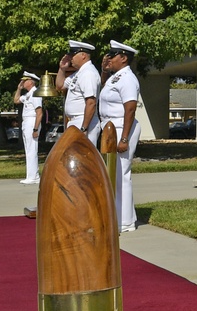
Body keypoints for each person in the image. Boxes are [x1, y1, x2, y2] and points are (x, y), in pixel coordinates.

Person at [99, 40, 141, 232]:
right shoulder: (115, 77)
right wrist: (104, 70)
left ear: (123, 58)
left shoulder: (128, 78)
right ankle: (116, 216)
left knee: (121, 174)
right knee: (112, 175)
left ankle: (126, 222)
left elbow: (130, 108)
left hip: (121, 126)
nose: (109, 58)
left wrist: (124, 138)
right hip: (109, 126)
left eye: (112, 55)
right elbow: (103, 91)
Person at [56, 39, 101, 147]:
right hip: (75, 121)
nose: (70, 58)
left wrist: (84, 128)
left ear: (83, 55)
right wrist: (62, 69)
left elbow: (91, 102)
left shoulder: (88, 73)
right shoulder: (79, 73)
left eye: (73, 55)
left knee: (84, 159)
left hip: (84, 120)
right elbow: (60, 86)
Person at [13, 71, 44, 184]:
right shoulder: (28, 94)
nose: (22, 82)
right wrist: (19, 88)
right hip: (26, 121)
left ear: (30, 81)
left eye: (24, 80)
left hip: (32, 121)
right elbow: (16, 100)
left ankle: (33, 177)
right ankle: (31, 175)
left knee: (32, 149)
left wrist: (35, 129)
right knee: (28, 149)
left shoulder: (35, 93)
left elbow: (39, 112)